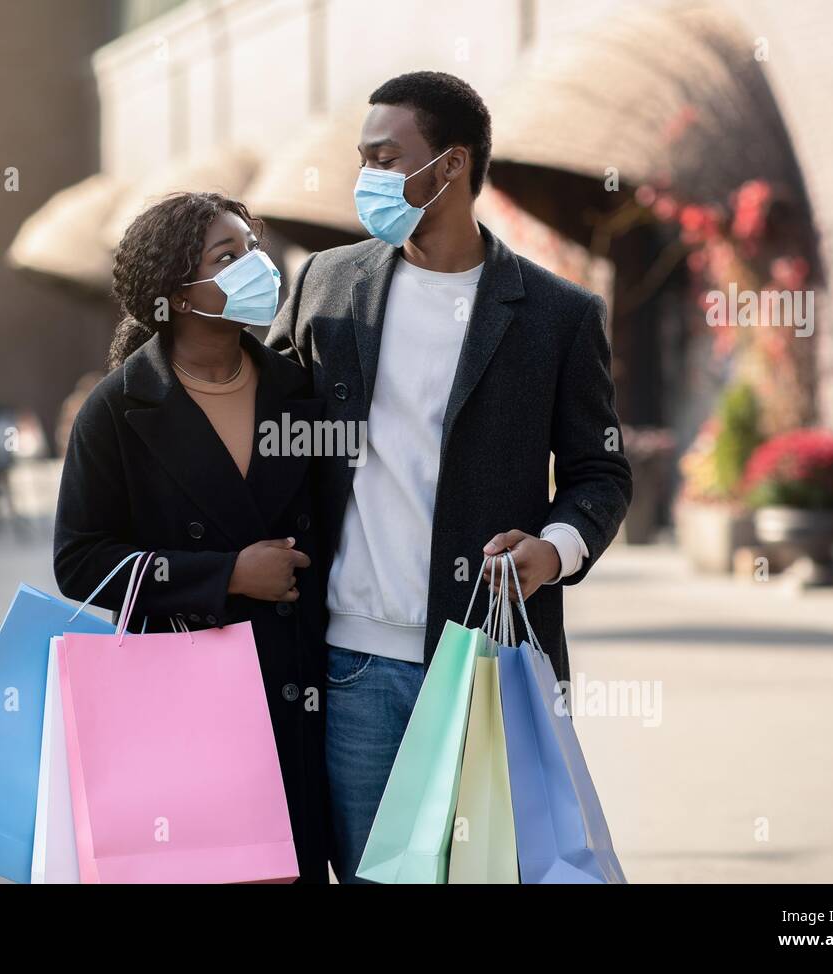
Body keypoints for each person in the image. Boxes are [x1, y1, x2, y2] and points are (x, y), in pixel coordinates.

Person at [267, 71, 633, 883]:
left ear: (452, 164)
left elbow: (599, 471)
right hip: (348, 668)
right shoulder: (326, 284)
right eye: (361, 157)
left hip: (485, 665)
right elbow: (267, 434)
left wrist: (554, 548)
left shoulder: (558, 314)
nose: (365, 176)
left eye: (384, 156)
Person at [53, 191, 330, 882]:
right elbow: (80, 560)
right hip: (182, 698)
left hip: (298, 693)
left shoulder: (299, 390)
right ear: (174, 292)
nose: (254, 268)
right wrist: (225, 574)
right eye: (227, 256)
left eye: (253, 250)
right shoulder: (118, 408)